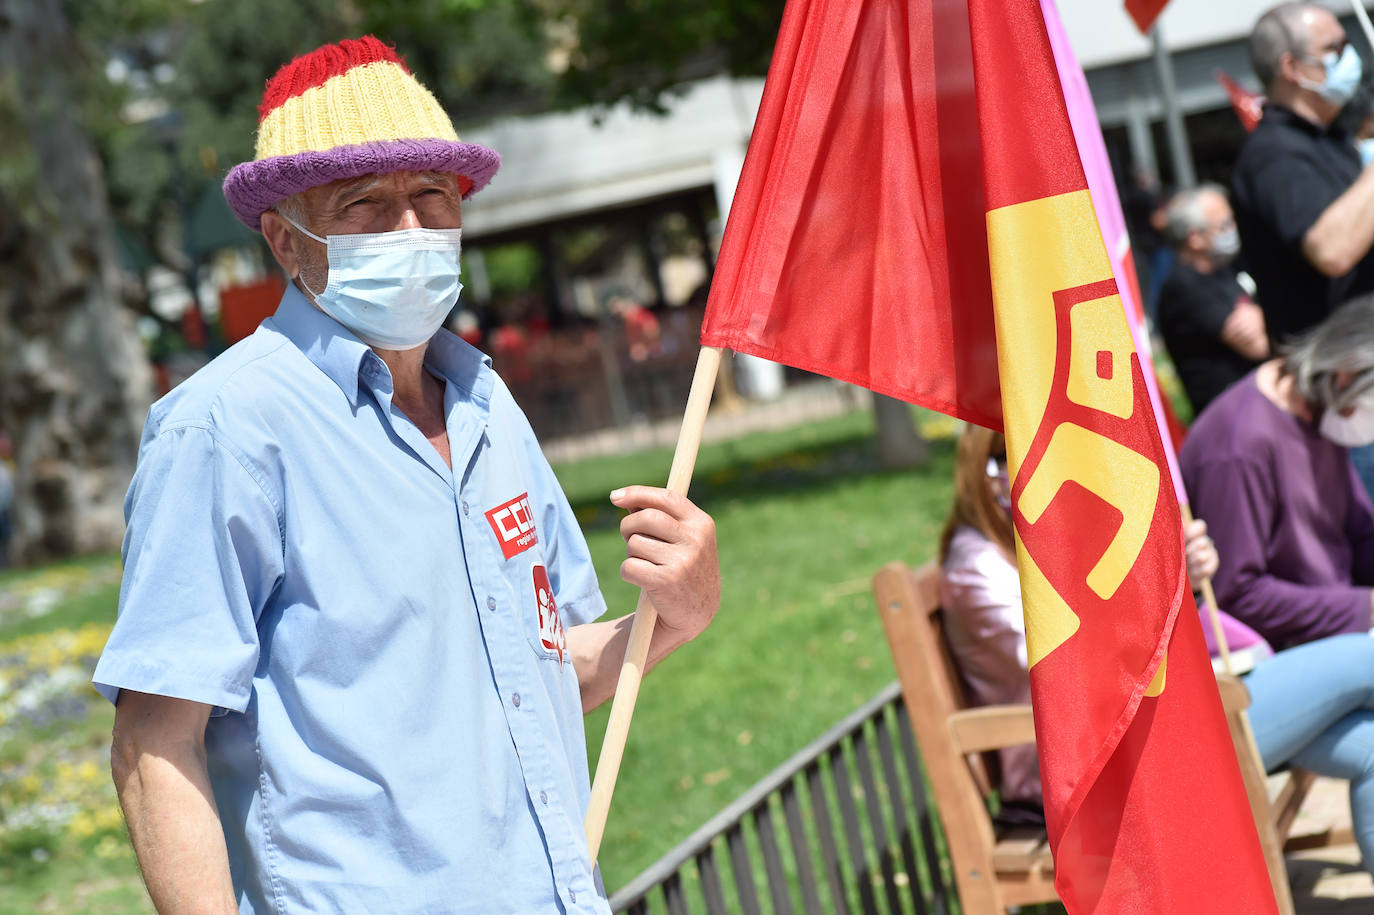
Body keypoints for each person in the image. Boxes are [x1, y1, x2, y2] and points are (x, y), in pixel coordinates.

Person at [92, 36, 721, 914]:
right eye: (364, 203)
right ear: (284, 240)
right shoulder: (225, 430)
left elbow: (547, 674)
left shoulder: (487, 405)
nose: (412, 229)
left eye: (433, 195)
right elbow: (154, 743)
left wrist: (676, 614)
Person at [940, 424, 1374, 869]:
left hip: (1151, 726)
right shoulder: (980, 568)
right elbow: (1069, 668)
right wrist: (1162, 580)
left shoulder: (1038, 540)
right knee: (1367, 660)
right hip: (1109, 767)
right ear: (989, 472)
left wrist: (1181, 576)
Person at [1180, 294, 1374, 652]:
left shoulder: (1323, 411)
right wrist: (1364, 607)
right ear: (1346, 374)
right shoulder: (1239, 445)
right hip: (1279, 652)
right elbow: (1236, 595)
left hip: (1336, 622)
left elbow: (1361, 533)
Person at [1231, 3, 1374, 346]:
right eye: (1334, 48)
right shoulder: (1272, 153)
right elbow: (1332, 250)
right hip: (1337, 360)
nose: (1349, 57)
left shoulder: (1332, 138)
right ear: (1292, 68)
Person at [1156, 184, 1270, 414]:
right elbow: (1259, 346)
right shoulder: (1183, 287)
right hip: (1230, 414)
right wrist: (1270, 317)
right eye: (1224, 225)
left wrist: (1262, 316)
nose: (1233, 229)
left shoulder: (1227, 268)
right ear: (1195, 237)